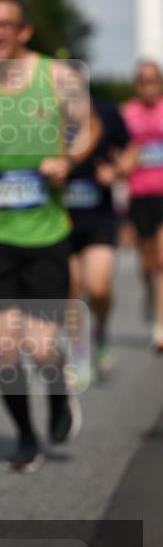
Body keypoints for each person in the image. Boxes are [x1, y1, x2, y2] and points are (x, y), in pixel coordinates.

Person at [0, 0, 99, 472]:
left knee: (42, 345)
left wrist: (69, 159)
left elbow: (88, 128)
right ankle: (26, 437)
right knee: (5, 346)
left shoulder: (59, 78)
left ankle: (57, 395)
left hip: (47, 231)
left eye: (6, 25)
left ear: (25, 31)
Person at [64, 95, 130, 379]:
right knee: (71, 289)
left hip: (99, 217)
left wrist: (115, 171)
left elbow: (131, 151)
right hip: (59, 219)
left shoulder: (105, 111)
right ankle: (79, 353)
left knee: (98, 288)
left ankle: (101, 330)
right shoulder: (40, 113)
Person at [121, 60, 163, 354]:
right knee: (146, 264)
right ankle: (151, 294)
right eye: (142, 80)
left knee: (162, 259)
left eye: (153, 80)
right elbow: (119, 153)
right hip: (139, 196)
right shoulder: (127, 114)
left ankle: (160, 325)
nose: (147, 85)